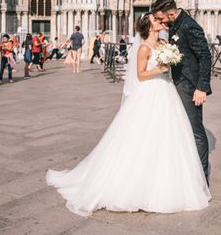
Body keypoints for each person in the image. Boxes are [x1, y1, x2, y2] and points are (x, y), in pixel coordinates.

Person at [47, 13, 210, 216]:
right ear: (148, 26)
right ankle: (137, 184)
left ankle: (165, 180)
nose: (160, 21)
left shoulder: (164, 42)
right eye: (156, 20)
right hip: (150, 92)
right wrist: (160, 68)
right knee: (143, 136)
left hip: (166, 93)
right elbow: (140, 75)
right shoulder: (143, 48)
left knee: (168, 137)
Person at [152, 0, 212, 184]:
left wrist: (201, 87)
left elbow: (205, 56)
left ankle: (202, 178)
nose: (161, 23)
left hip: (189, 84)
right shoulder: (175, 24)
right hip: (177, 81)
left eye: (161, 19)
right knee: (181, 127)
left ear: (170, 13)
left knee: (195, 130)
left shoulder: (189, 25)